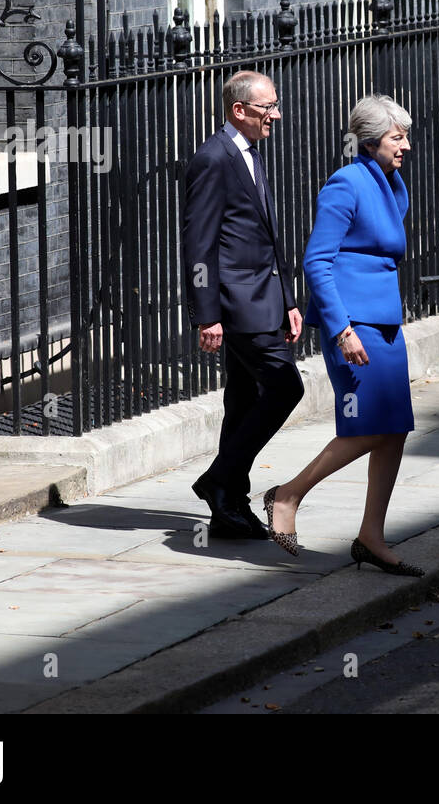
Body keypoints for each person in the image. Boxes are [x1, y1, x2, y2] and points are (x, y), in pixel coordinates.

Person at [263, 94, 423, 577]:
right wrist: (341, 329)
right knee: (369, 426)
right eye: (399, 138)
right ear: (371, 141)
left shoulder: (391, 183)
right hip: (354, 327)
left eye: (406, 136)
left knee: (394, 428)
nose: (407, 146)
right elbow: (317, 261)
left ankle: (371, 535)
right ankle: (287, 494)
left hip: (386, 325)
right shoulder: (346, 183)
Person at [182, 70, 305, 540]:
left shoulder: (249, 154)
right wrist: (207, 313)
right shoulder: (213, 159)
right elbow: (199, 244)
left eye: (274, 105)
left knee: (244, 398)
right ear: (239, 110)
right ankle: (217, 480)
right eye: (266, 108)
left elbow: (265, 238)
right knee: (284, 387)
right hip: (238, 304)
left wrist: (289, 300)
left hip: (265, 298)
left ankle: (229, 506)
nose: (275, 115)